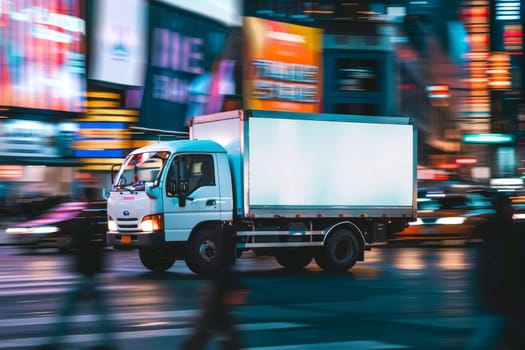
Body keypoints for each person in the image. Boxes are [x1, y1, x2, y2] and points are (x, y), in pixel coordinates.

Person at [37, 214, 116, 350]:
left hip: (86, 275)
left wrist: (68, 245)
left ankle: (55, 342)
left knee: (69, 311)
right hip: (89, 273)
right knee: (97, 311)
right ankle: (107, 342)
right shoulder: (92, 221)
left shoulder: (83, 221)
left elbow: (79, 244)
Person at [467, 193, 525, 349]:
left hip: (500, 295)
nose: (513, 209)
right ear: (502, 208)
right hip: (502, 296)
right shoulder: (506, 232)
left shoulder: (496, 231)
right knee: (487, 337)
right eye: (509, 206)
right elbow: (503, 265)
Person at [181, 222, 248, 350]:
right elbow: (225, 268)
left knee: (207, 331)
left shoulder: (221, 236)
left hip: (217, 293)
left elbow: (222, 268)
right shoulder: (227, 239)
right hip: (219, 294)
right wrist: (235, 287)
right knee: (215, 330)